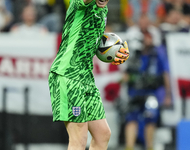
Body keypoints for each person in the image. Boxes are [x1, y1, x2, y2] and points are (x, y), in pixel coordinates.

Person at [48, 0, 130, 149]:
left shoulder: (103, 11)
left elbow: (94, 42)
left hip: (86, 77)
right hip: (68, 75)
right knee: (79, 136)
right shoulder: (79, 3)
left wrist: (115, 51)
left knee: (102, 134)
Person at [121, 30, 171, 150]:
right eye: (145, 38)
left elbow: (165, 74)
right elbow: (125, 76)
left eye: (149, 38)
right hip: (134, 92)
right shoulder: (133, 55)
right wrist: (130, 80)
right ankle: (129, 147)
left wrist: (168, 95)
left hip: (150, 93)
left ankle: (150, 147)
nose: (147, 41)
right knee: (131, 118)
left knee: (151, 118)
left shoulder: (156, 55)